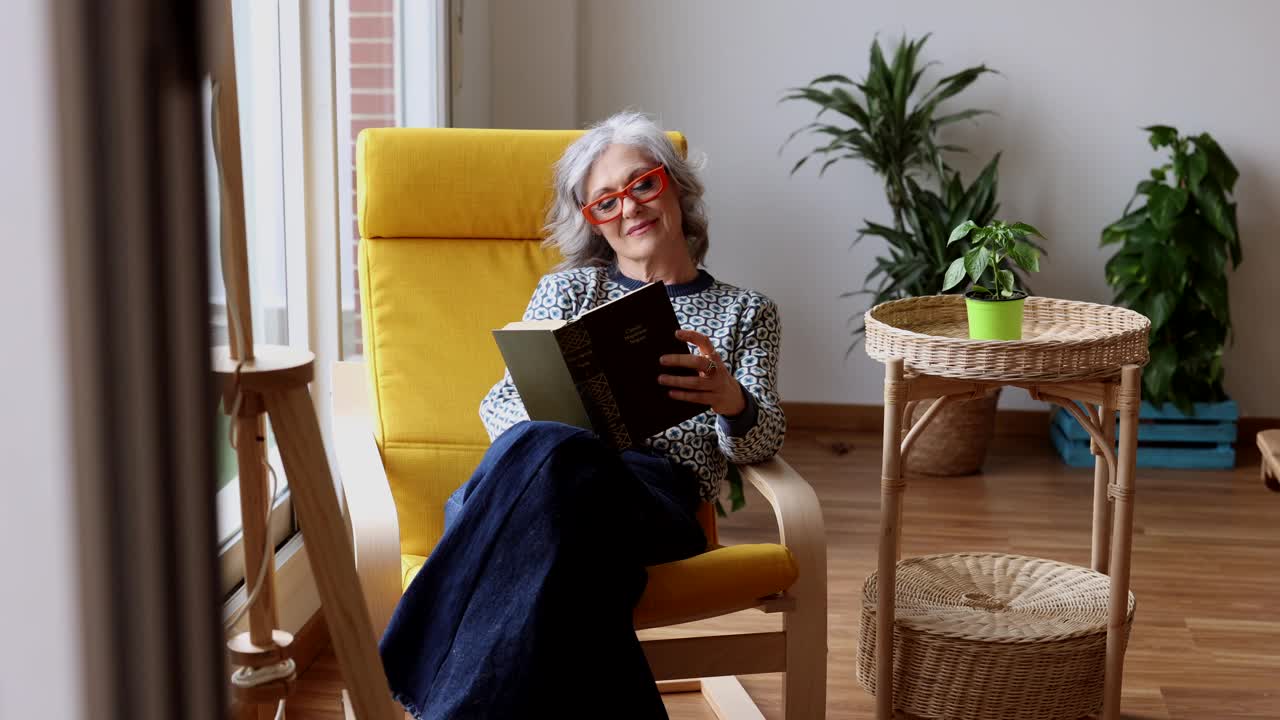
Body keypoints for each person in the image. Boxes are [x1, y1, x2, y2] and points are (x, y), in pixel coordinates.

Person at [378, 110, 786, 719]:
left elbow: (762, 442)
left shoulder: (746, 311)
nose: (630, 208)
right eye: (605, 203)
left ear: (674, 186)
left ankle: (422, 665)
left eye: (641, 184)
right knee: (579, 546)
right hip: (548, 485)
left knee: (554, 464)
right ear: (593, 222)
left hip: (652, 501)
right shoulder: (569, 291)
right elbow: (500, 405)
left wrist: (731, 399)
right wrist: (553, 407)